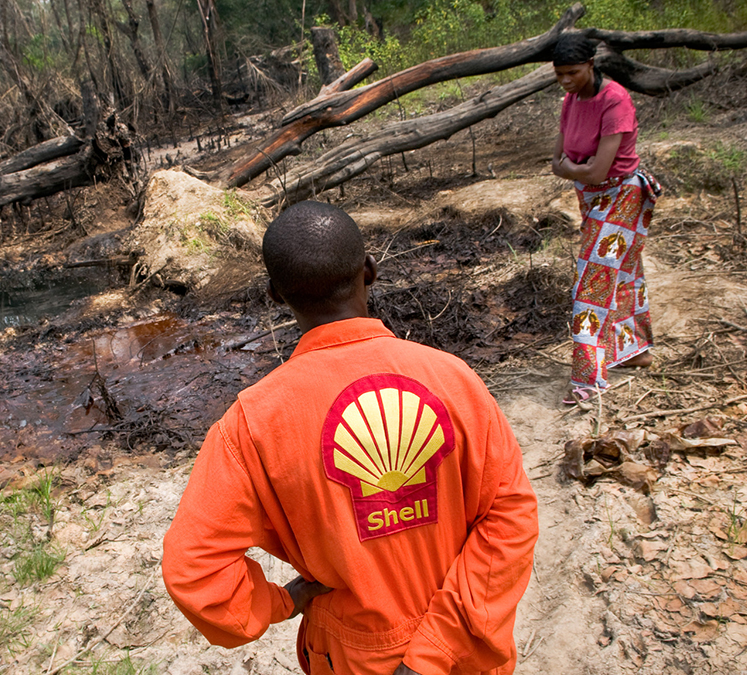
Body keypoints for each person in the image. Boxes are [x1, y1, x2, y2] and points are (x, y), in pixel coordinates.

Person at [162, 201, 538, 675]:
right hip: (463, 649)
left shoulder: (252, 424)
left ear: (276, 295)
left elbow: (193, 570)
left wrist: (283, 600)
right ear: (370, 270)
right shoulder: (454, 379)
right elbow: (511, 515)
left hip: (355, 657)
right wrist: (438, 650)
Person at [550, 32, 662, 405]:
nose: (565, 80)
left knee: (592, 283)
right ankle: (635, 352)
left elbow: (598, 171)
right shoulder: (570, 99)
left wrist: (573, 169)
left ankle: (588, 378)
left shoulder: (615, 99)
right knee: (624, 272)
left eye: (572, 72)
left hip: (622, 195)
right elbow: (558, 160)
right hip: (592, 199)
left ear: (591, 65)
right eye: (559, 73)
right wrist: (576, 170)